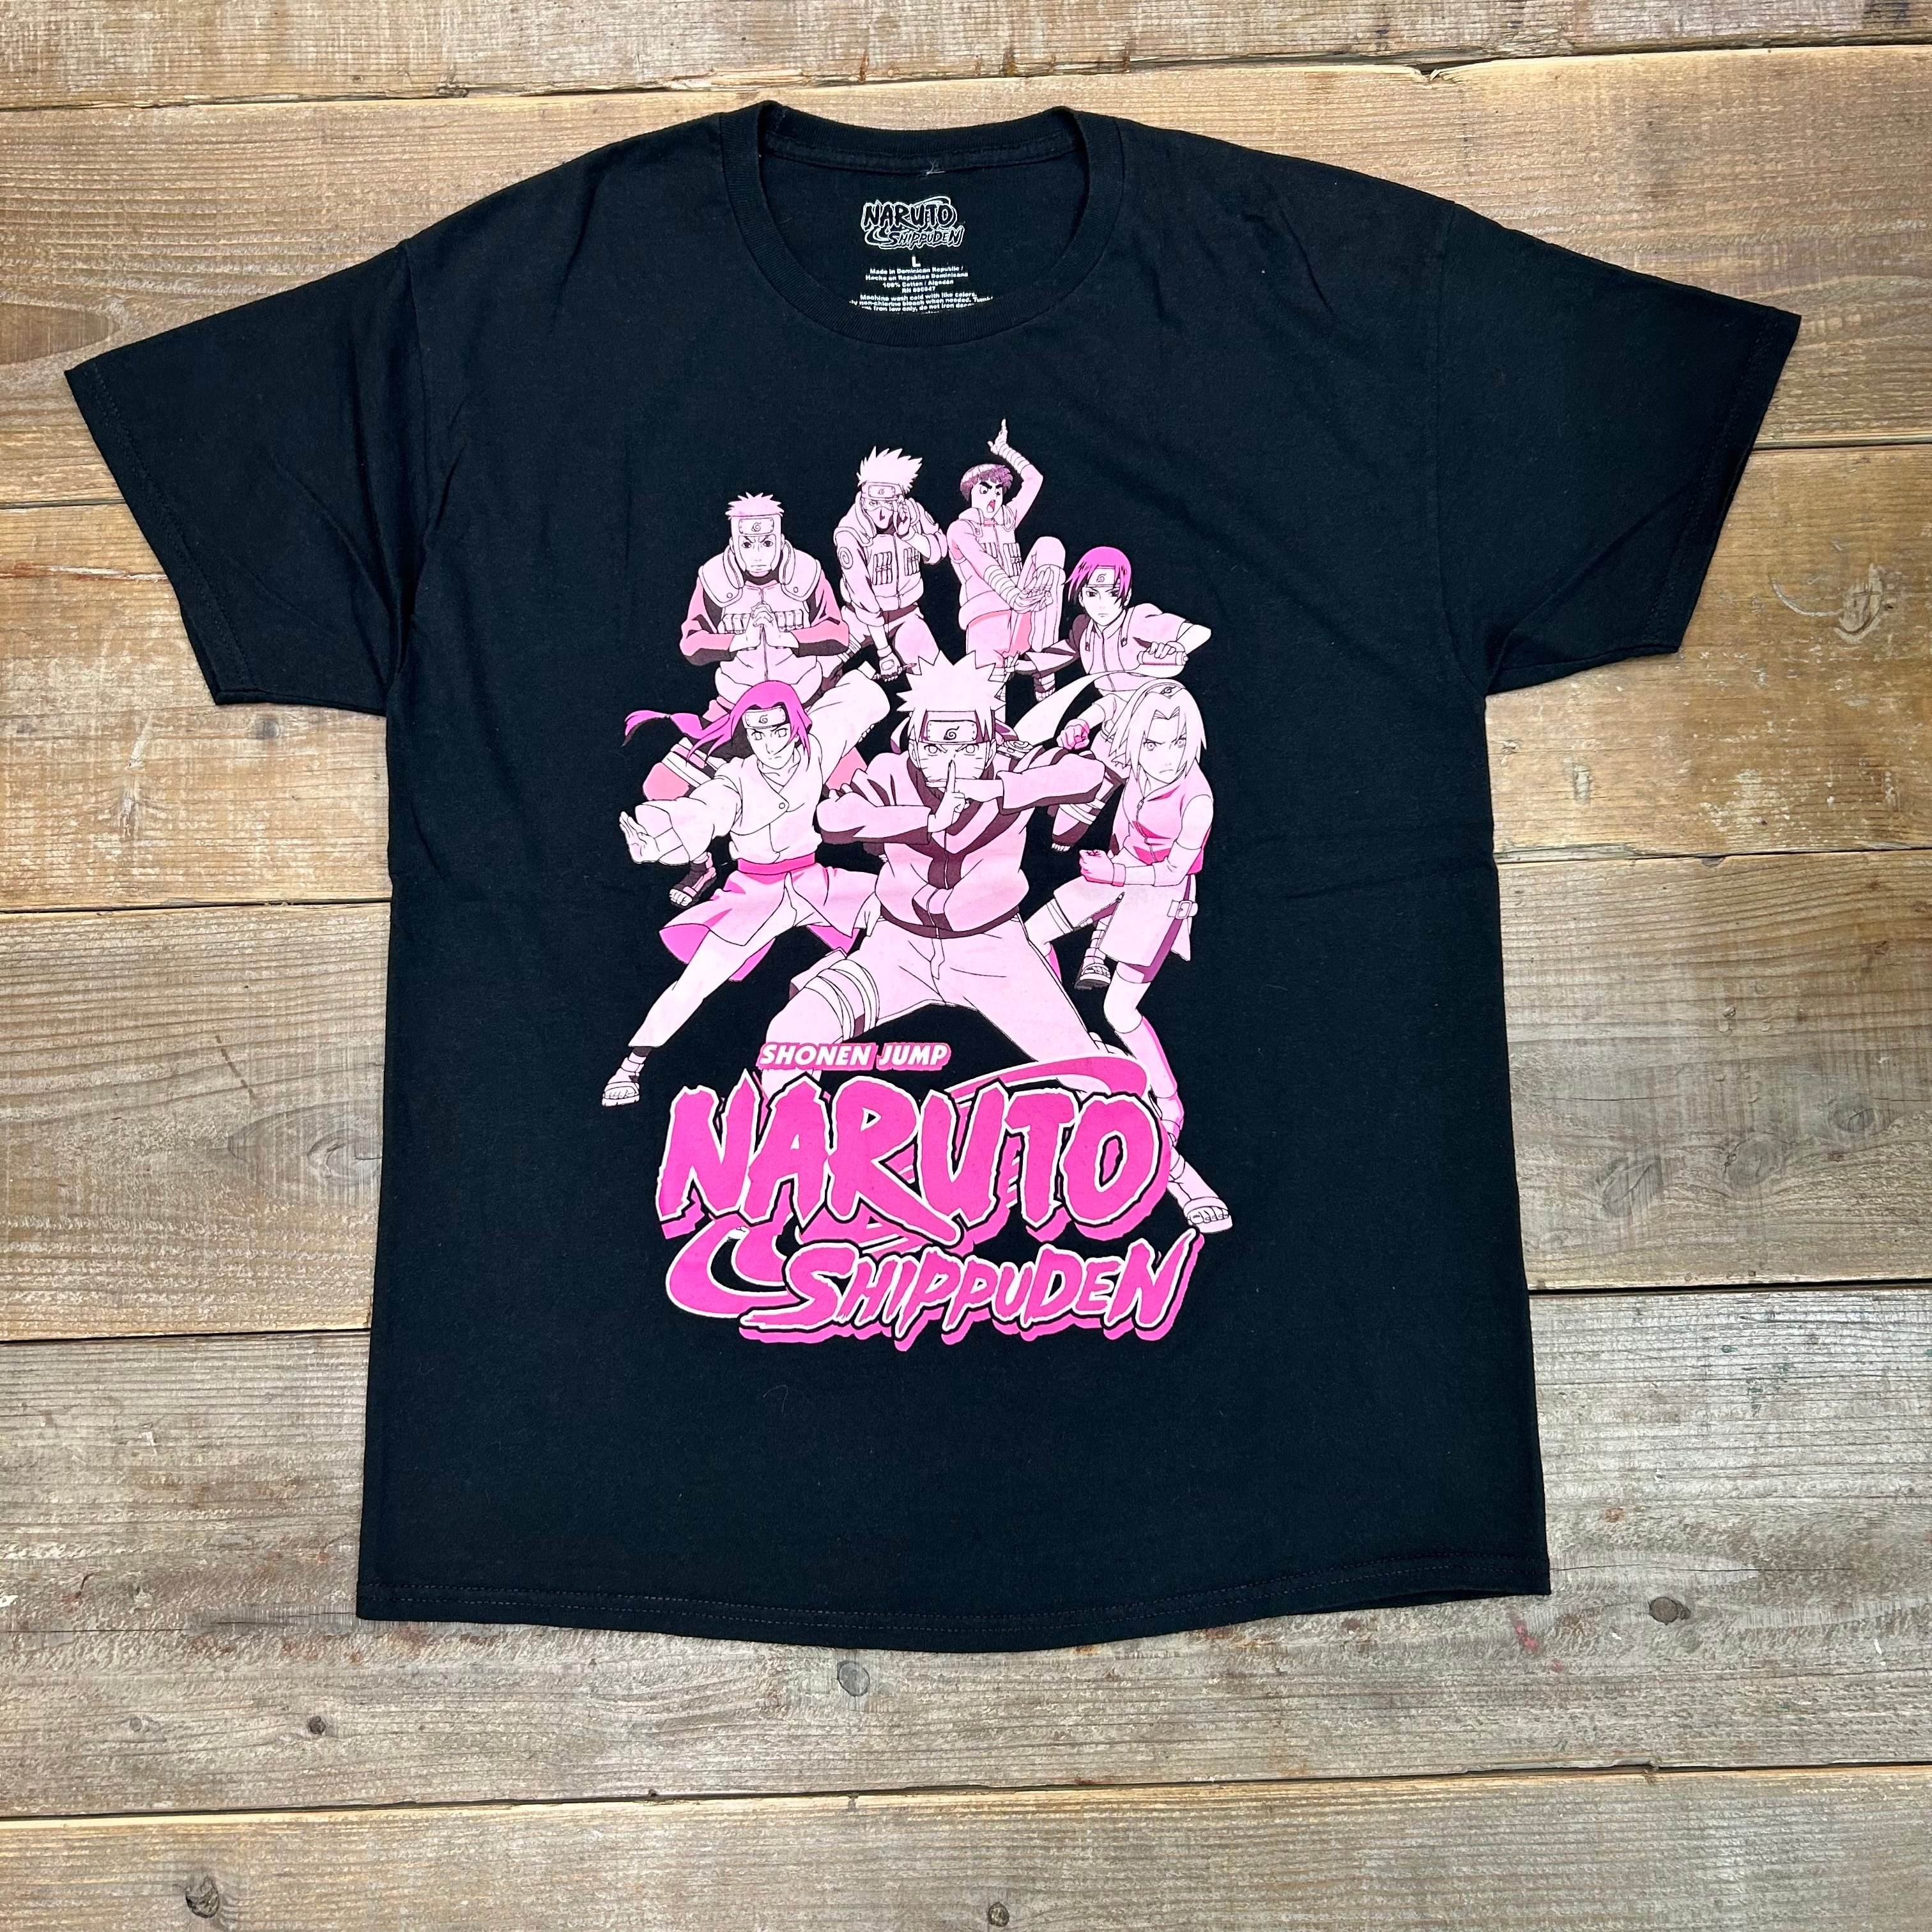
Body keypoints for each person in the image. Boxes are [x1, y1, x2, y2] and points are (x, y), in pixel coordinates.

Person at [757, 654, 1111, 1092]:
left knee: (1088, 1072)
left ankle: (1147, 1134)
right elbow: (833, 818)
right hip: (896, 949)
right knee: (792, 1034)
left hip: (993, 951)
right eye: (935, 746)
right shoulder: (891, 772)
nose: (949, 761)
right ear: (916, 742)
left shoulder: (1015, 767)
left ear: (989, 743)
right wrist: (924, 821)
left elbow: (1087, 775)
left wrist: (999, 791)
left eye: (965, 746)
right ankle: (791, 1129)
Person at [602, 668, 889, 1106]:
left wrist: (872, 672)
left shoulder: (816, 747)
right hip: (755, 892)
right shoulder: (735, 780)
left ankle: (827, 973)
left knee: (896, 899)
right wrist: (657, 837)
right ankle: (632, 1065)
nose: (769, 743)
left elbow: (851, 708)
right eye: (758, 733)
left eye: (778, 730)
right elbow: (702, 811)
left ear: (796, 726)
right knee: (697, 981)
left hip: (813, 879)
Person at [1025, 680, 1230, 1234]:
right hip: (1113, 873)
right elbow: (1094, 781)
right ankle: (1068, 1034)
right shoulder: (1134, 765)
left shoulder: (1198, 799)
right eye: (1152, 744)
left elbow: (1175, 870)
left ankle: (1168, 1100)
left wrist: (1116, 873)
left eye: (1176, 743)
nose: (1164, 757)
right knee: (1031, 937)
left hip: (1157, 896)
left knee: (1120, 1011)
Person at [643, 493, 854, 904]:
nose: (758, 554)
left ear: (780, 538)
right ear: (734, 542)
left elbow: (838, 634)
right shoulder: (713, 578)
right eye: (748, 543)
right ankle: (702, 864)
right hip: (734, 711)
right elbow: (691, 643)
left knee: (858, 793)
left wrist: (791, 638)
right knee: (663, 788)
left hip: (803, 707)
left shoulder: (808, 572)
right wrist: (733, 642)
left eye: (766, 542)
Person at [1018, 546, 1211, 985]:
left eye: (1111, 591)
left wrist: (1171, 649)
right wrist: (1016, 666)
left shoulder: (1139, 620)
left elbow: (1196, 633)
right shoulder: (1085, 629)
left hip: (1153, 757)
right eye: (1092, 591)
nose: (1102, 600)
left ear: (1124, 591)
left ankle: (1097, 955)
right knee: (1062, 836)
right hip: (1110, 744)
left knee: (1129, 854)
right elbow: (1077, 670)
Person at [946, 420, 1064, 708]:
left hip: (1022, 614)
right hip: (986, 620)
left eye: (998, 491)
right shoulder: (961, 529)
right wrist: (1014, 595)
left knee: (1050, 546)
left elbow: (1034, 480)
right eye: (985, 490)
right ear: (971, 493)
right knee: (989, 708)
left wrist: (1004, 450)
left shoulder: (1007, 520)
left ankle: (1043, 662)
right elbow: (984, 564)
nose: (994, 497)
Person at [832, 446, 947, 681]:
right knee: (820, 673)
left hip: (907, 615)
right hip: (859, 621)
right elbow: (864, 597)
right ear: (863, 498)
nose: (882, 512)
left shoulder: (913, 512)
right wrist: (884, 652)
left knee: (937, 680)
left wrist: (911, 536)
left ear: (900, 498)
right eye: (874, 502)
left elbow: (939, 551)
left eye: (889, 502)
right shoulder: (849, 532)